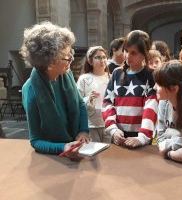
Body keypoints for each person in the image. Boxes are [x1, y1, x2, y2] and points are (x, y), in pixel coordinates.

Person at [20, 21, 89, 159]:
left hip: (76, 149)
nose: (72, 58)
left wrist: (83, 131)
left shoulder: (66, 73)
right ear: (50, 62)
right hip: (53, 158)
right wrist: (63, 147)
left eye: (71, 52)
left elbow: (80, 104)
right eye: (67, 56)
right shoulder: (31, 91)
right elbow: (36, 141)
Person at [102, 30, 158, 148]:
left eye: (134, 53)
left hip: (139, 138)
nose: (128, 56)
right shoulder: (117, 73)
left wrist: (142, 137)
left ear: (145, 54)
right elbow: (107, 102)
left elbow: (151, 108)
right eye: (126, 51)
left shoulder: (151, 75)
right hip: (119, 135)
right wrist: (113, 129)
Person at [77, 46, 110, 143]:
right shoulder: (84, 78)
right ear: (90, 61)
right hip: (90, 124)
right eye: (98, 57)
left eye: (104, 57)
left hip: (108, 124)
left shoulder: (111, 78)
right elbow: (77, 101)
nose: (102, 60)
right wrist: (88, 99)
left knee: (110, 153)